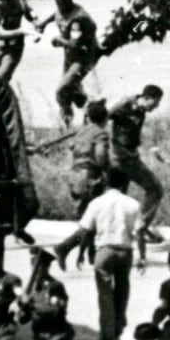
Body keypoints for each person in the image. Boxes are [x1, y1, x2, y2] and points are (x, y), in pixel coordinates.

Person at [52, 168, 147, 340]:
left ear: (106, 182)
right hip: (125, 252)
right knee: (122, 292)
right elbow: (140, 232)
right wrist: (142, 257)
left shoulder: (96, 203)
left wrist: (80, 253)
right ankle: (119, 328)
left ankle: (107, 336)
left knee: (105, 296)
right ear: (124, 183)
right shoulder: (133, 203)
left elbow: (86, 231)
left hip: (103, 252)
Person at [34, 0, 99, 127]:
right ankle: (83, 115)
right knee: (71, 91)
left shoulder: (78, 19)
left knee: (62, 90)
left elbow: (75, 44)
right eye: (58, 2)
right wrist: (43, 24)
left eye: (64, 2)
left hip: (83, 58)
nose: (61, 5)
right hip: (70, 58)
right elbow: (56, 15)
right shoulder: (61, 9)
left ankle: (84, 113)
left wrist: (59, 41)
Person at [109, 84, 166, 242]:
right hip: (123, 158)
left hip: (126, 157)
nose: (155, 108)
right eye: (155, 103)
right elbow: (103, 116)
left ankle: (118, 235)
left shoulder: (140, 110)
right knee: (155, 188)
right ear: (147, 98)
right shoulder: (125, 103)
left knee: (118, 198)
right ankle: (140, 228)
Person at [68, 99, 110, 267]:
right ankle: (69, 248)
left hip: (74, 176)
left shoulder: (80, 132)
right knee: (94, 218)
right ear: (105, 118)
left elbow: (72, 149)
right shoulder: (100, 133)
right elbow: (100, 156)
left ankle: (88, 253)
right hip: (90, 176)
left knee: (84, 217)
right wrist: (106, 170)